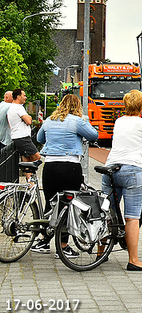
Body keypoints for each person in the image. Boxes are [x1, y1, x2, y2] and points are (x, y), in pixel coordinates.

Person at [31, 94, 99, 256]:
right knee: (68, 206)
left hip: (50, 167)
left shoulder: (49, 121)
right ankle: (63, 246)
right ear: (77, 107)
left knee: (51, 203)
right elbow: (94, 135)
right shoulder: (77, 121)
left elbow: (40, 138)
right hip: (70, 167)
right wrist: (85, 120)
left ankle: (44, 242)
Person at [102, 90, 142, 271]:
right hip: (131, 171)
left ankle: (100, 253)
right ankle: (134, 260)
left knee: (107, 213)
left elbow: (131, 140)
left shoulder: (119, 121)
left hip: (110, 169)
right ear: (141, 106)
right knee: (132, 218)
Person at [7, 89, 41, 181]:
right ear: (18, 97)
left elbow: (27, 119)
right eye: (24, 95)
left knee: (26, 159)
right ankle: (31, 178)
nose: (25, 97)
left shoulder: (13, 107)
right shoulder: (18, 107)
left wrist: (26, 118)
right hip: (22, 138)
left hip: (19, 137)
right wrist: (27, 118)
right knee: (37, 157)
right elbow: (29, 121)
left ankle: (30, 182)